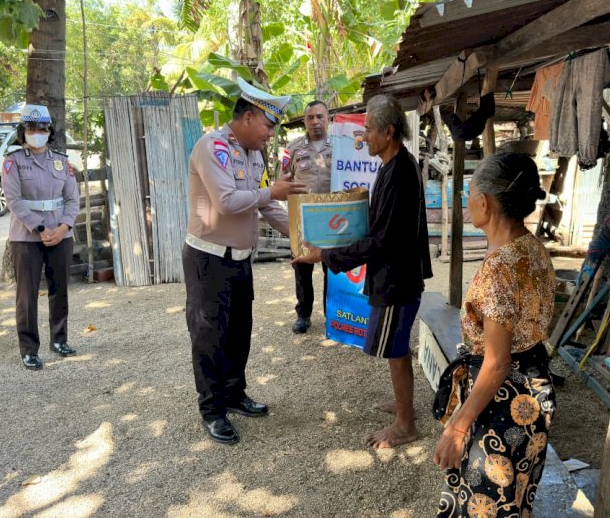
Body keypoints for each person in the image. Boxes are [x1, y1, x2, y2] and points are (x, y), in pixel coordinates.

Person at [292, 94, 432, 449]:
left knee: (396, 350)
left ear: (388, 131)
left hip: (396, 279)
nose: (363, 136)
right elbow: (380, 227)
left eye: (368, 130)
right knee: (394, 346)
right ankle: (404, 407)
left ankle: (405, 425)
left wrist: (327, 255)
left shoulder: (400, 171)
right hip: (395, 274)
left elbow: (382, 240)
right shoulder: (392, 164)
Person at [431, 153, 556, 517]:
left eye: (469, 193)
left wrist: (458, 426)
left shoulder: (501, 266)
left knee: (485, 503)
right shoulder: (531, 249)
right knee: (515, 499)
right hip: (534, 393)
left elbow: (498, 362)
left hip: (503, 402)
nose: (467, 202)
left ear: (484, 200)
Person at [184, 78, 307, 445]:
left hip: (239, 261)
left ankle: (235, 394)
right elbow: (226, 202)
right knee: (210, 337)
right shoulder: (213, 147)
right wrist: (272, 190)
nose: (271, 134)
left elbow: (266, 205)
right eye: (269, 126)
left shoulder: (253, 155)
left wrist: (303, 238)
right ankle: (213, 409)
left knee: (238, 332)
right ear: (250, 117)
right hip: (208, 259)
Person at [1, 104, 80, 370]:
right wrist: (40, 228)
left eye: (43, 129)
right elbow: (13, 201)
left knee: (60, 289)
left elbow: (72, 199)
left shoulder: (61, 161)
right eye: (32, 129)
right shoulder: (13, 162)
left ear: (49, 131)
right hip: (26, 237)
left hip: (60, 234)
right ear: (23, 132)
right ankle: (29, 349)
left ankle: (59, 339)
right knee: (27, 294)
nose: (38, 133)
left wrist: (64, 227)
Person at [283, 100, 332, 334]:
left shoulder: (342, 147)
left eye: (320, 116)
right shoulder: (291, 149)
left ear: (328, 119)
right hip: (302, 217)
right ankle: (303, 314)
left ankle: (332, 314)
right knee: (302, 266)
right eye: (310, 117)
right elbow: (282, 182)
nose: (315, 121)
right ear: (304, 121)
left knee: (332, 266)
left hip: (333, 218)